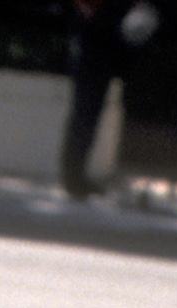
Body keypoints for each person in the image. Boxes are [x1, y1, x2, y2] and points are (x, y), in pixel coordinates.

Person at [59, 0, 159, 205]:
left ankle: (77, 176)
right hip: (94, 38)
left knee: (91, 112)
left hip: (109, 37)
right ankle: (73, 177)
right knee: (86, 111)